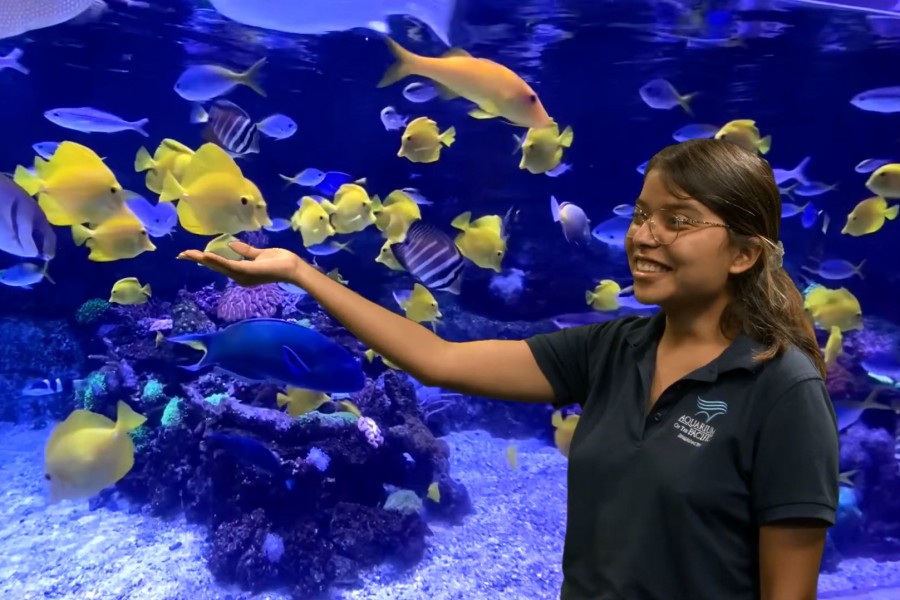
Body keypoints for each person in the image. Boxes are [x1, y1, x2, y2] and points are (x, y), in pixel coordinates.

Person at [177, 138, 839, 600]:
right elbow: (438, 359)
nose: (643, 235)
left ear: (744, 254)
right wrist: (300, 271)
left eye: (678, 220)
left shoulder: (781, 389)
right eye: (642, 215)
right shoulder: (614, 349)